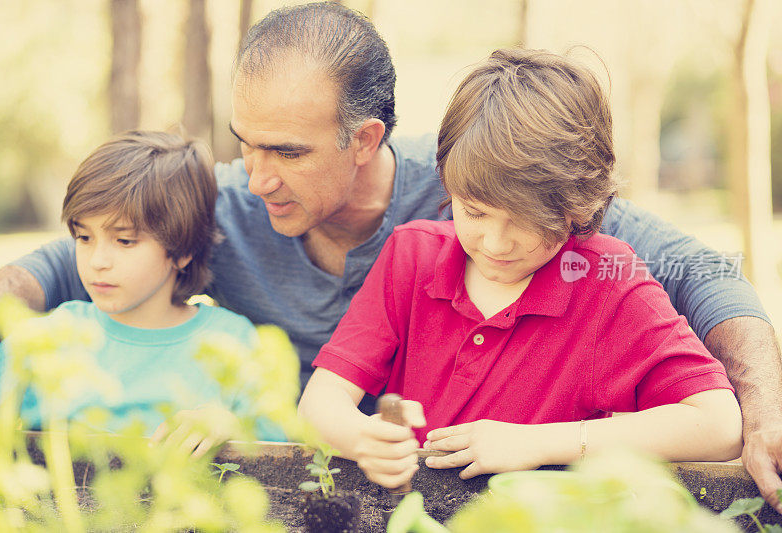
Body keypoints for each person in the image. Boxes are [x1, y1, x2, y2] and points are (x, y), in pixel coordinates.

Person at [0, 1, 780, 511]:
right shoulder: (223, 205)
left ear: (365, 140)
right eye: (246, 144)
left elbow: (704, 274)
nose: (254, 177)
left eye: (287, 151)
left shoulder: (491, 190)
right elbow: (58, 266)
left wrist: (767, 407)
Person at [298, 48, 743, 487]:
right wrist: (361, 438)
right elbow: (321, 401)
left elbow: (718, 425)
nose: (495, 244)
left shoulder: (608, 285)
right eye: (473, 212)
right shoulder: (411, 256)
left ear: (577, 207)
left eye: (526, 221)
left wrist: (537, 443)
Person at [0, 131, 282, 455]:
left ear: (183, 250)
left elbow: (282, 444)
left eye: (124, 241)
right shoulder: (46, 338)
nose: (97, 261)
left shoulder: (233, 342)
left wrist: (227, 424)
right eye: (83, 238)